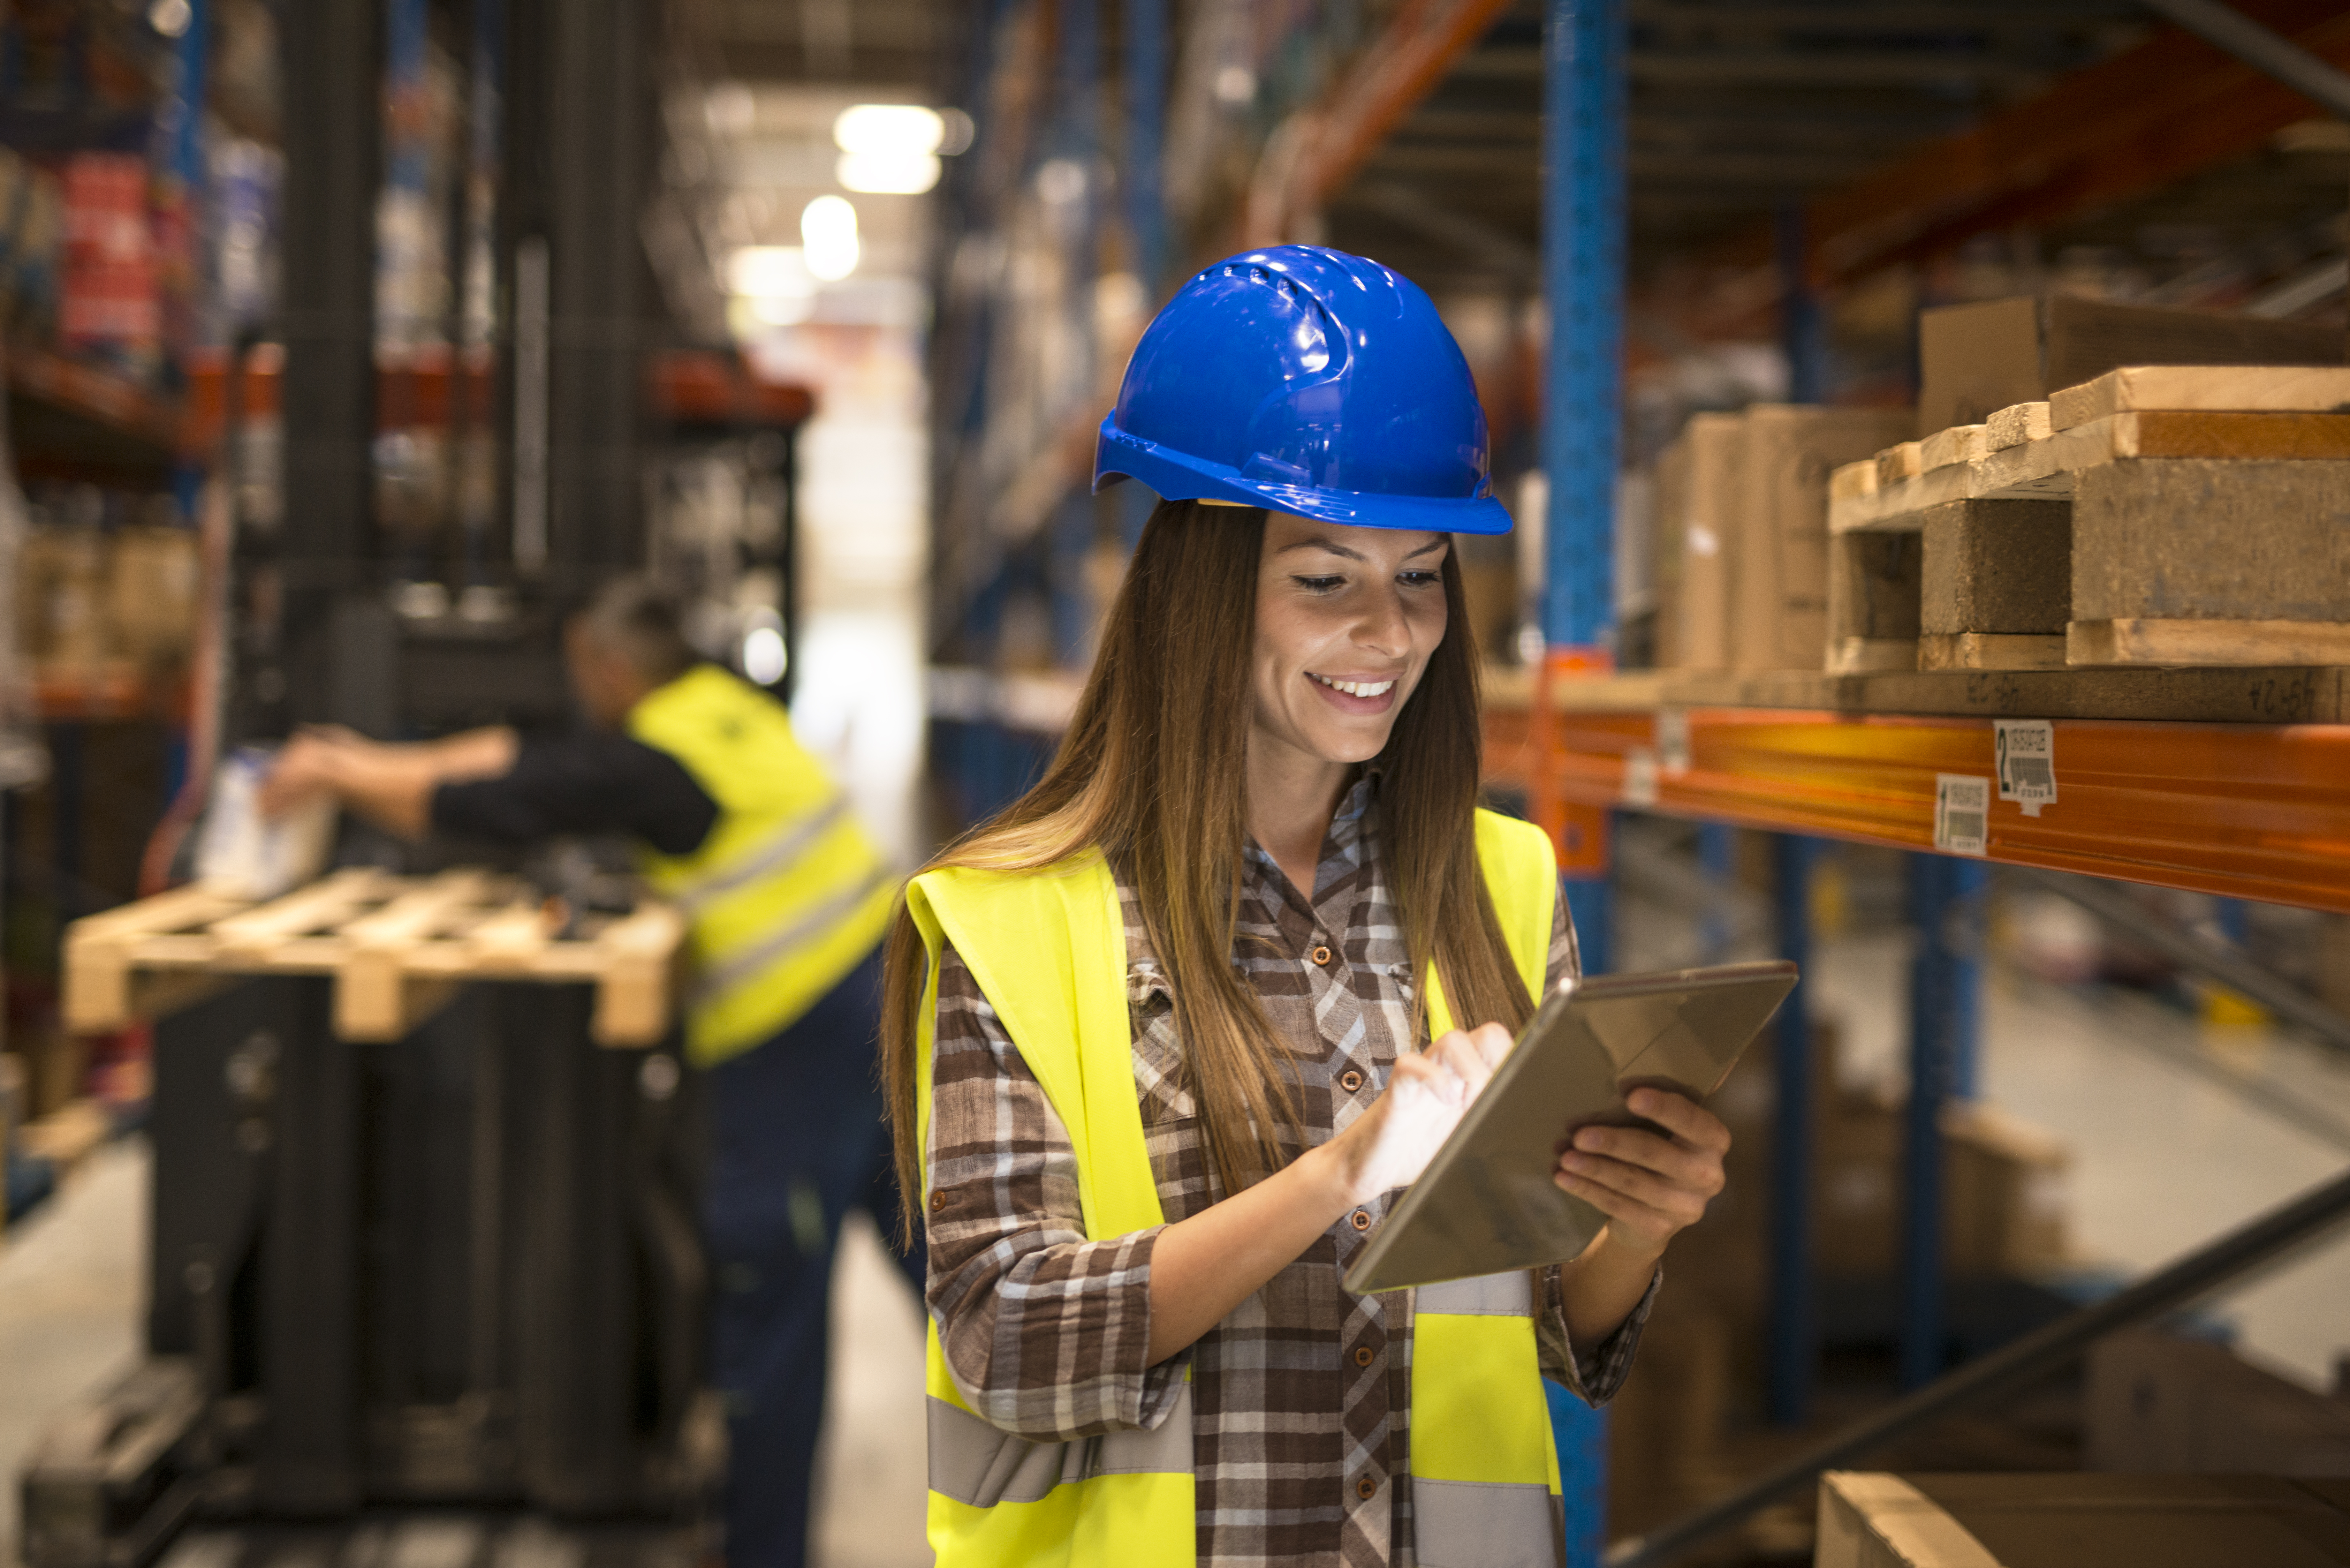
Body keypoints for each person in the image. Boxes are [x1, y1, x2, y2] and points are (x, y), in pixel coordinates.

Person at [878, 245, 1734, 1567]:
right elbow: (1005, 1339)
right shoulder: (1013, 921)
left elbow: (1556, 1323)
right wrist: (1341, 1172)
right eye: (1324, 579)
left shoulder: (1501, 884)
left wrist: (1642, 1215)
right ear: (1206, 596)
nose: (1389, 635)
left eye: (1421, 575)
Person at [261, 579, 916, 1568]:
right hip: (886, 1013)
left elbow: (498, 797)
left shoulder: (654, 763)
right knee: (952, 1267)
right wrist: (353, 755)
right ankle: (1088, 1466)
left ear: (607, 671)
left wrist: (343, 780)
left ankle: (763, 1555)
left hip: (794, 1050)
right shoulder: (725, 709)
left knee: (769, 1312)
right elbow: (537, 760)